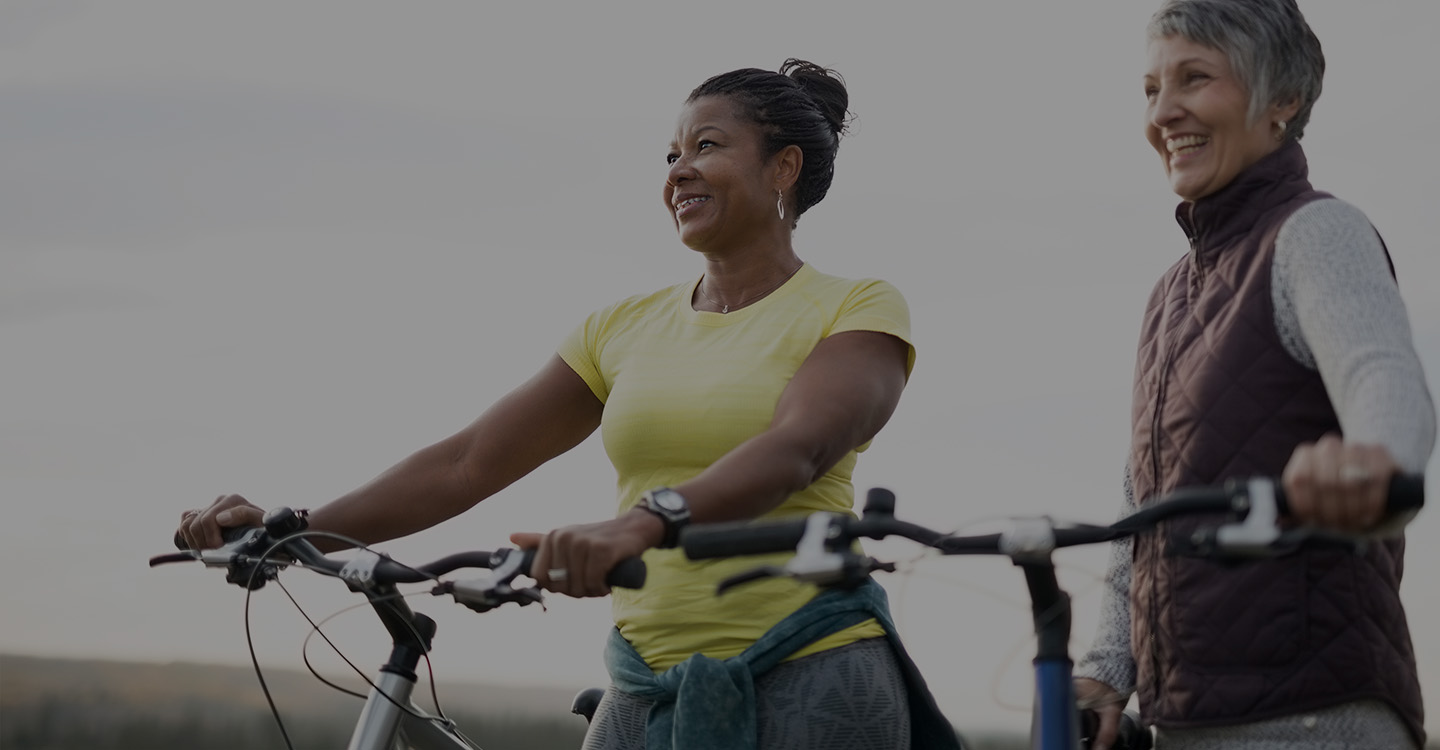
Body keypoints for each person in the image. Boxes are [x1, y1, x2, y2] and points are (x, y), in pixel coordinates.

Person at [177, 59, 959, 750]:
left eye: (707, 147)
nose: (679, 171)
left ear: (784, 168)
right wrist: (292, 531)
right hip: (642, 676)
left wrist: (641, 523)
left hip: (809, 666)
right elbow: (466, 462)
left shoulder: (856, 306)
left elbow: (800, 447)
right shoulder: (621, 326)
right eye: (672, 154)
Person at [1072, 2, 1435, 748]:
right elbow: (1145, 502)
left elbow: (1385, 380)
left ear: (1283, 101)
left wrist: (1374, 465)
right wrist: (1109, 668)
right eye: (1150, 89)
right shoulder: (1170, 293)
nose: (1165, 112)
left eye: (1195, 79)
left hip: (1310, 715)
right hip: (1190, 720)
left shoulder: (1315, 233)